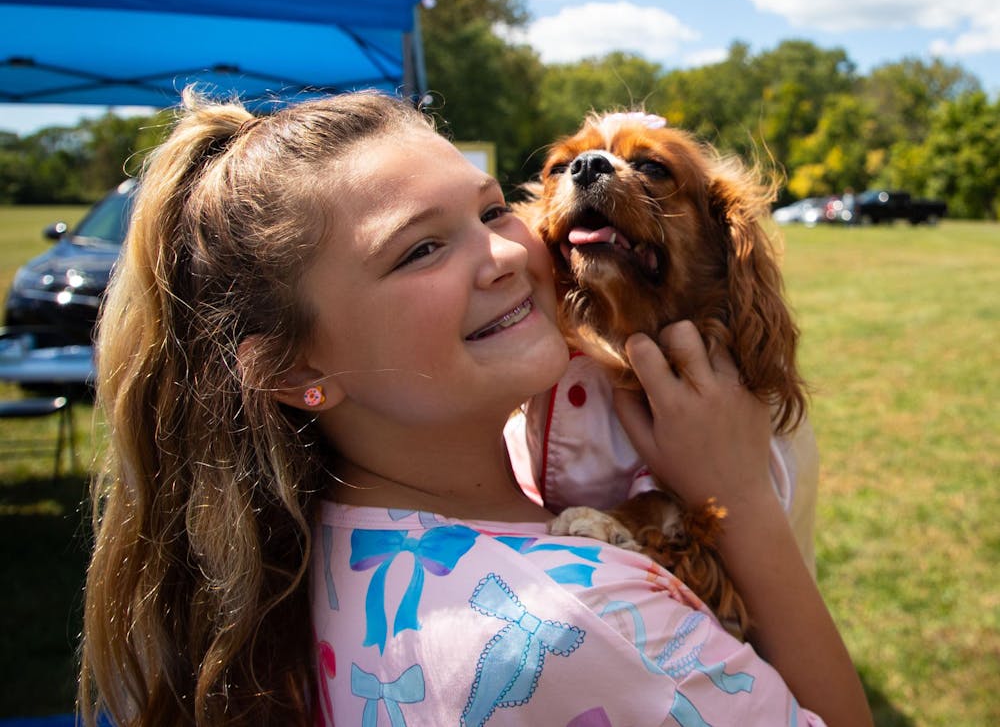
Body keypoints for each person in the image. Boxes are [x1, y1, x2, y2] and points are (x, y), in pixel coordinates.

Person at [79, 87, 872, 727]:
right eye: (420, 248)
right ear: (292, 367)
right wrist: (738, 502)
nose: (506, 252)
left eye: (492, 211)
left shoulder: (308, 541)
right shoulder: (578, 624)